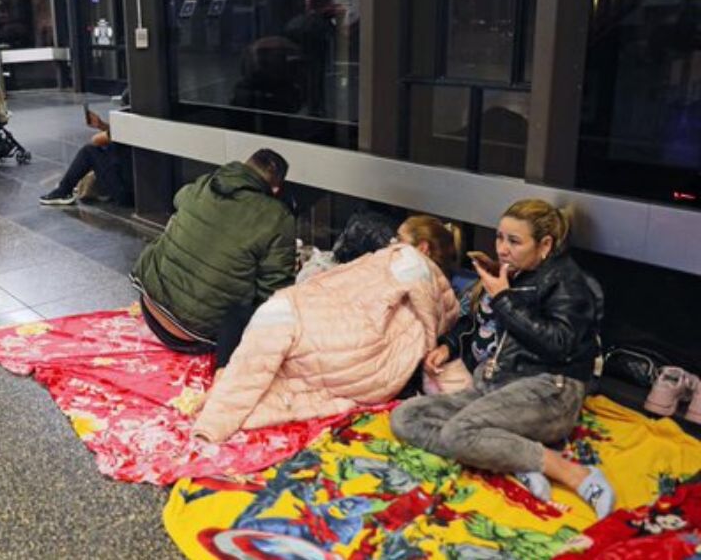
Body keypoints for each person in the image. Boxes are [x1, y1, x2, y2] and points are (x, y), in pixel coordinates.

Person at [390, 199, 615, 518]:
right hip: (498, 384)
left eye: (514, 241)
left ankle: (571, 473)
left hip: (550, 390)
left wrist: (504, 299)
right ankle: (511, 457)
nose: (502, 249)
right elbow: (472, 322)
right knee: (406, 417)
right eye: (499, 238)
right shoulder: (508, 274)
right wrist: (449, 346)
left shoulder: (570, 283)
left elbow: (558, 345)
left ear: (545, 244)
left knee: (458, 433)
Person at [190, 217, 462, 442]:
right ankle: (224, 398)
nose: (391, 245)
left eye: (398, 240)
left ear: (422, 248)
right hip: (366, 371)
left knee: (275, 319)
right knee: (291, 360)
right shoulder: (445, 303)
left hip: (345, 337)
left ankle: (218, 410)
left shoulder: (408, 260)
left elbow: (348, 289)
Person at [130, 149, 296, 354]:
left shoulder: (205, 183)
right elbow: (274, 290)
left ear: (244, 167)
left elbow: (178, 200)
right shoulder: (278, 217)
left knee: (176, 227)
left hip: (149, 304)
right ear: (276, 188)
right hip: (194, 337)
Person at [39, 94, 132, 206]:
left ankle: (63, 191)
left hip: (125, 193)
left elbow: (96, 140)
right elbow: (115, 135)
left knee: (89, 151)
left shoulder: (127, 123)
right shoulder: (144, 122)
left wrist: (105, 130)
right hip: (143, 193)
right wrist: (101, 125)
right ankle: (66, 187)